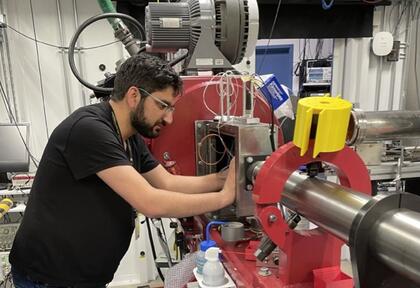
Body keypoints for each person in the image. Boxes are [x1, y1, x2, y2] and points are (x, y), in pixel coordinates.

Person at [9, 53, 236, 288]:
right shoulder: (90, 130)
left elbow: (167, 183)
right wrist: (223, 197)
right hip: (48, 279)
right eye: (162, 105)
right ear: (134, 95)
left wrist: (224, 179)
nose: (169, 119)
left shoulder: (128, 136)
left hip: (83, 277)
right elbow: (151, 202)